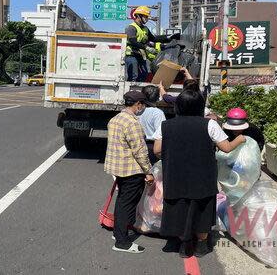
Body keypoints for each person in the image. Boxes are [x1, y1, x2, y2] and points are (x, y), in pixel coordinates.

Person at [153, 90, 246, 258]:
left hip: (175, 176)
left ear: (178, 106)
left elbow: (157, 150)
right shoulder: (209, 124)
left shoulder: (165, 125)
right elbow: (226, 148)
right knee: (202, 209)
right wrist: (240, 139)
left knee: (179, 208)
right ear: (200, 106)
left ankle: (185, 245)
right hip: (202, 177)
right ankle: (201, 245)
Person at [104, 91, 154, 254]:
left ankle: (119, 232)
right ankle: (122, 242)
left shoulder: (115, 119)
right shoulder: (133, 123)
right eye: (143, 105)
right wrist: (148, 171)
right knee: (128, 203)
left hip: (119, 168)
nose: (143, 108)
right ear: (138, 104)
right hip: (132, 170)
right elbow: (140, 150)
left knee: (122, 201)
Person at [125, 6, 179, 82]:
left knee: (144, 75)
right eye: (145, 16)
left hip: (140, 55)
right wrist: (147, 48)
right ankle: (130, 92)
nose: (147, 19)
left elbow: (154, 38)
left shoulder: (145, 29)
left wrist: (169, 38)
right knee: (134, 76)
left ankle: (138, 92)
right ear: (138, 16)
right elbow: (132, 41)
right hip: (131, 55)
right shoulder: (131, 28)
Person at [138, 85, 166, 164]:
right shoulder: (158, 113)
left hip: (137, 145)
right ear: (157, 98)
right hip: (152, 147)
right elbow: (161, 133)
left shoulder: (136, 110)